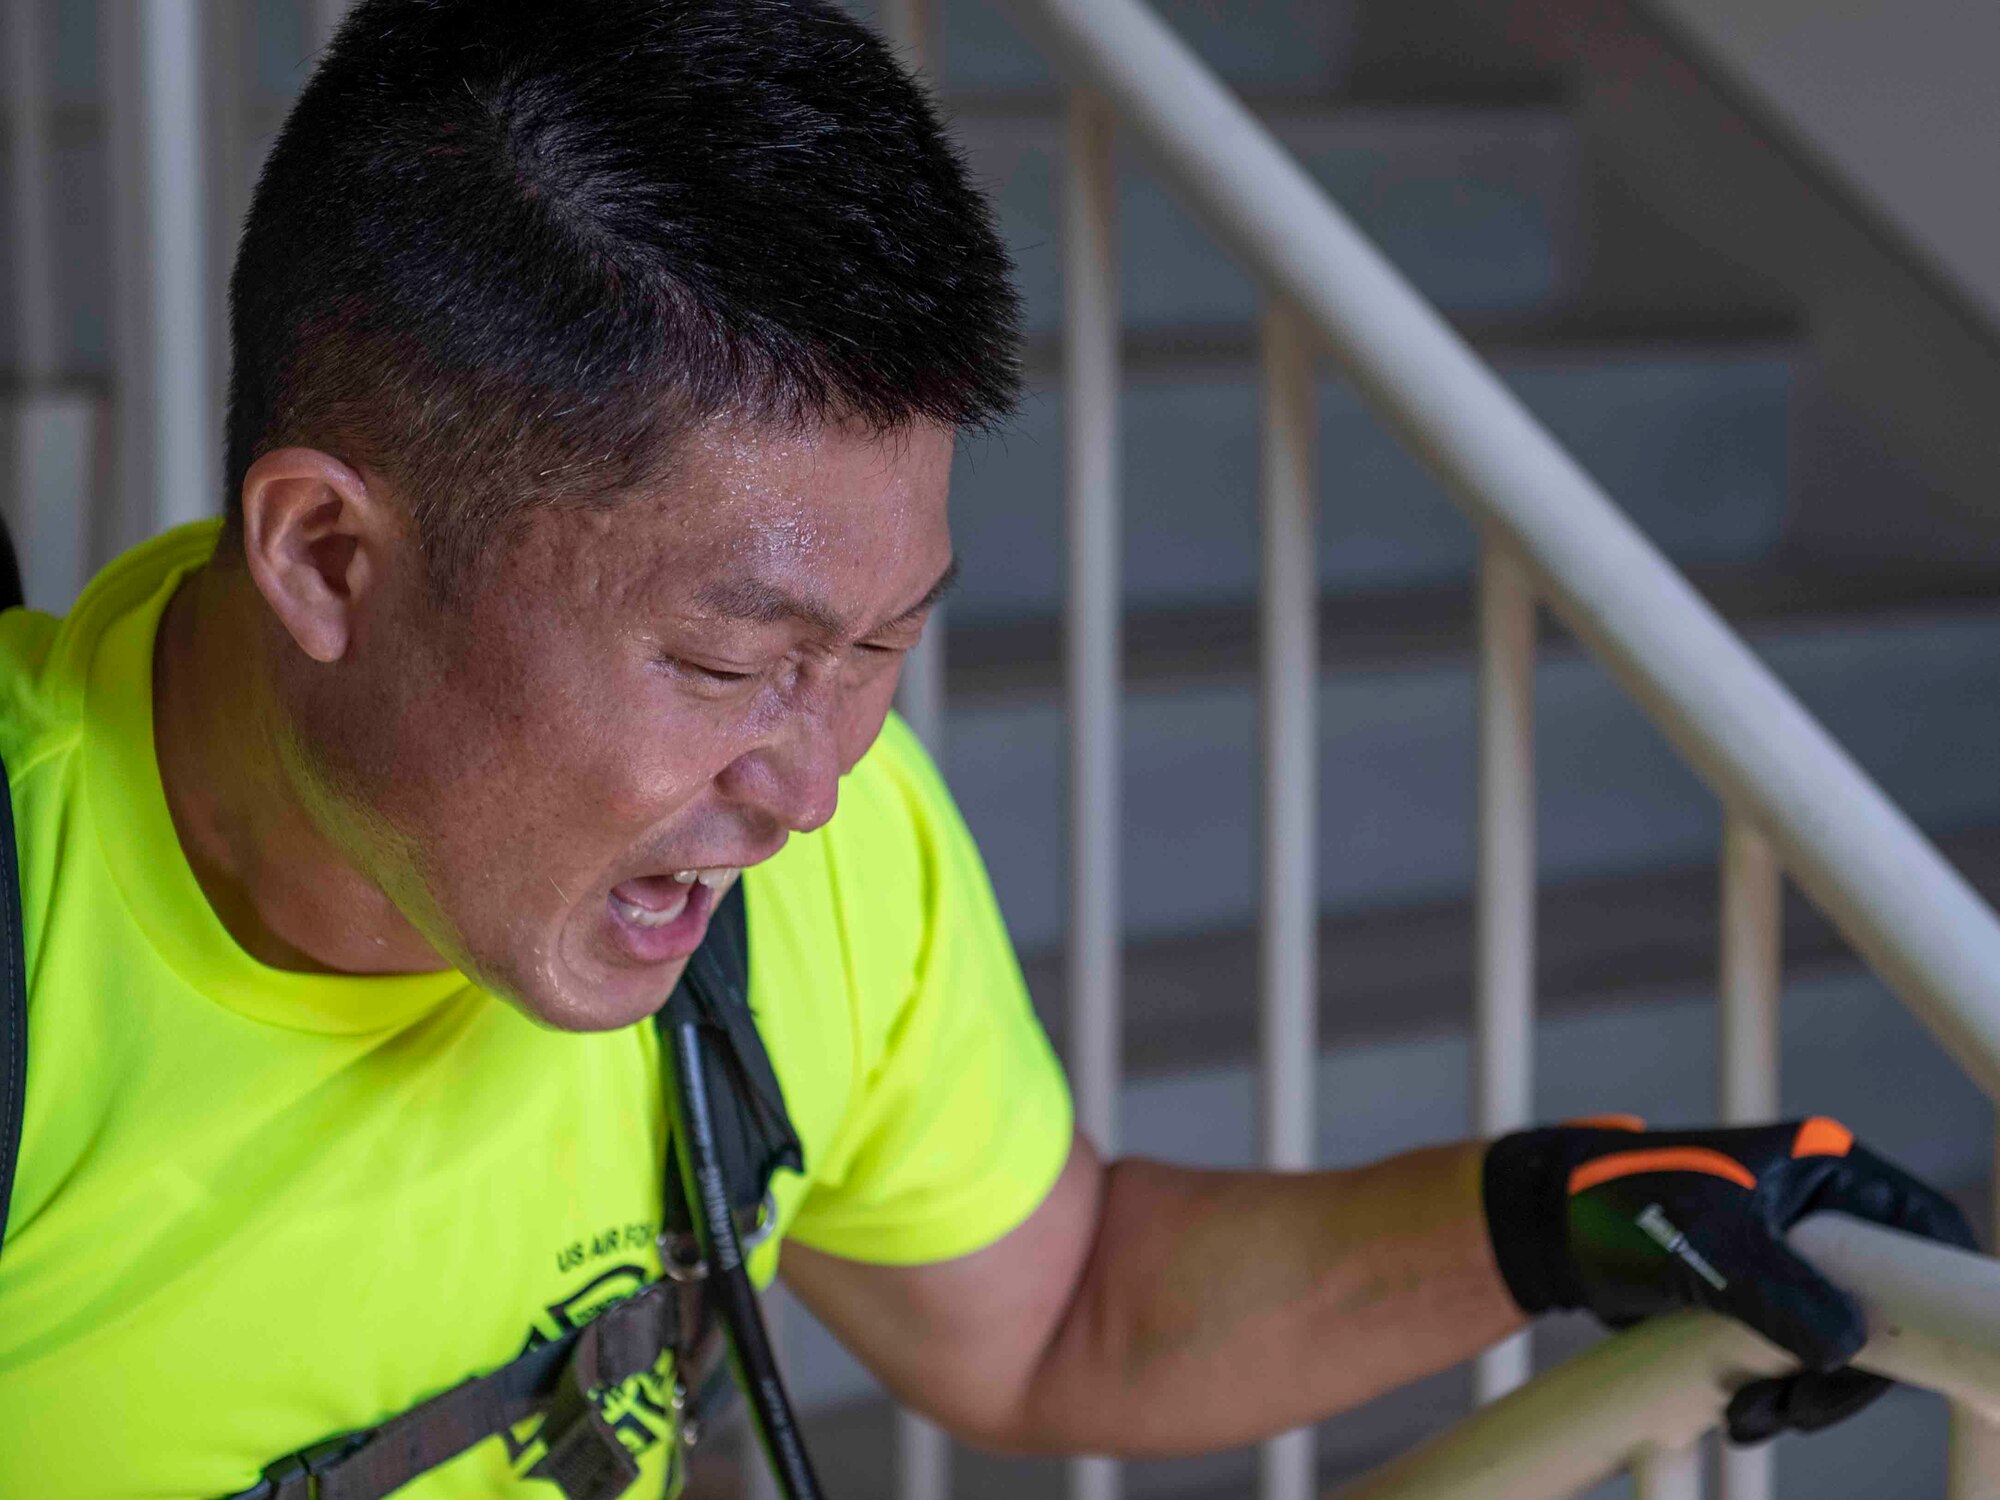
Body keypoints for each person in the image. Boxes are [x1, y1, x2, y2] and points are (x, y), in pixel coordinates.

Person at [0, 0, 1974, 1495]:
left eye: (879, 650)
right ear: (330, 557)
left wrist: (1554, 1212)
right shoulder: (42, 939)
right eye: (726, 655)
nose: (813, 782)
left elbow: (1060, 1311)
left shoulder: (787, 854)